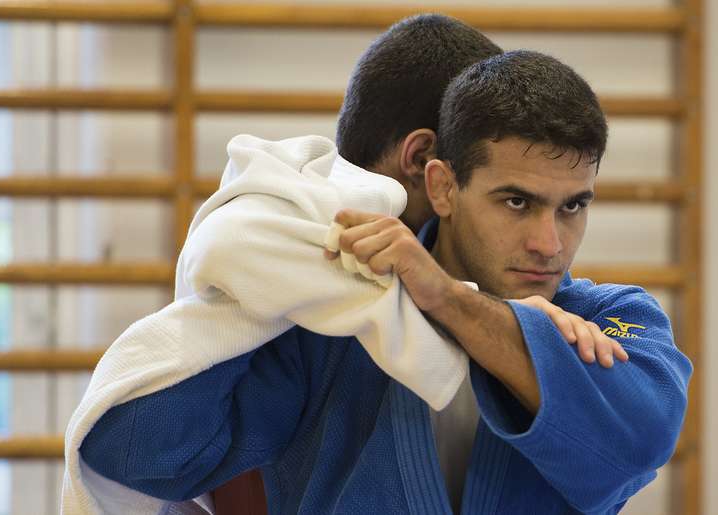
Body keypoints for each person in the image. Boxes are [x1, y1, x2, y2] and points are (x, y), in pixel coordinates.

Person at [66, 19, 689, 515]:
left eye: (574, 206)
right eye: (516, 202)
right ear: (439, 182)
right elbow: (139, 457)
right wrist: (254, 274)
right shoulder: (333, 327)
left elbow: (640, 437)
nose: (549, 244)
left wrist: (454, 303)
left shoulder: (607, 320)